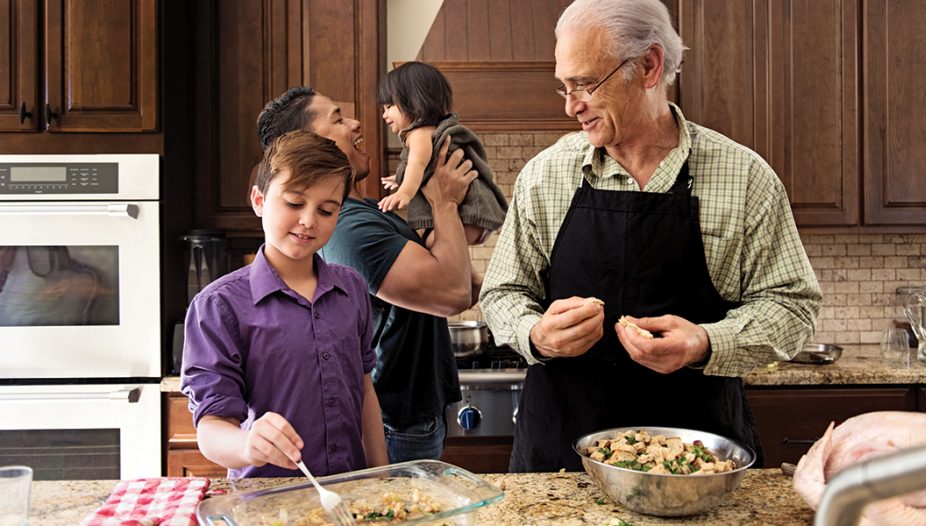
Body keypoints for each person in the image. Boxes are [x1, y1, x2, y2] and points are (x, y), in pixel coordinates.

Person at [478, 0, 822, 472]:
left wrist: (705, 341)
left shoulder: (744, 178)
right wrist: (534, 333)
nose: (570, 105)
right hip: (560, 464)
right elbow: (502, 292)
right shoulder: (545, 176)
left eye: (584, 84)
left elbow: (793, 306)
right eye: (563, 86)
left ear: (648, 66)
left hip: (698, 463)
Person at [256, 86, 480, 464]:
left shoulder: (375, 210)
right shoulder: (348, 226)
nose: (357, 123)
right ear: (313, 144)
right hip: (397, 423)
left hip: (414, 413)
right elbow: (454, 294)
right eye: (338, 119)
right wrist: (445, 201)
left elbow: (467, 285)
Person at [180, 130, 389, 477]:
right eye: (294, 203)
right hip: (266, 501)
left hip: (351, 497)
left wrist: (382, 479)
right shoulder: (218, 306)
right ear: (259, 200)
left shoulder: (351, 288)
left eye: (326, 210)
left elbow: (365, 392)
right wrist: (247, 444)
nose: (309, 220)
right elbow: (211, 428)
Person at [376, 61, 509, 247]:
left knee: (431, 245)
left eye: (389, 106)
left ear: (413, 101)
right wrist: (400, 177)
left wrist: (405, 192)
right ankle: (474, 277)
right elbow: (424, 164)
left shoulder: (419, 134)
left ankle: (470, 276)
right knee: (444, 249)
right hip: (475, 214)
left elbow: (418, 164)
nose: (384, 115)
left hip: (468, 213)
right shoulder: (430, 132)